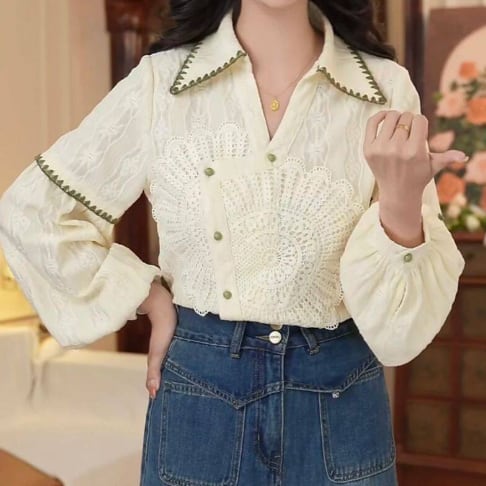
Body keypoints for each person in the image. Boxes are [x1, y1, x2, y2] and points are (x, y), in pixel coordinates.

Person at [0, 0, 466, 484]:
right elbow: (35, 212)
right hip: (201, 396)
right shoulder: (161, 83)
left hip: (342, 398)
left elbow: (398, 333)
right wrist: (145, 295)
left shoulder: (385, 88)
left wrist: (401, 203)